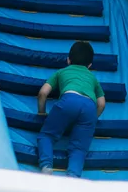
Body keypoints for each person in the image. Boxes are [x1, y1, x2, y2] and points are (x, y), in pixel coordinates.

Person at [37, 41, 106, 178]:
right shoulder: (92, 78)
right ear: (90, 65)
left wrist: (41, 112)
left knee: (46, 136)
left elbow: (43, 93)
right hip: (89, 107)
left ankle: (46, 167)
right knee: (79, 149)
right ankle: (72, 177)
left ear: (68, 60)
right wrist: (92, 119)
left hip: (69, 100)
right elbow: (102, 103)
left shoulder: (61, 72)